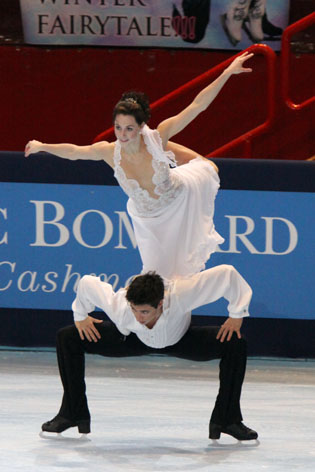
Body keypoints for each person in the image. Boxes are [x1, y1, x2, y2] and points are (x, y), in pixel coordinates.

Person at [25, 52, 253, 279]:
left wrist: (226, 73)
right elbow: (74, 152)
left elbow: (197, 106)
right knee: (157, 276)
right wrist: (42, 145)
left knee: (209, 168)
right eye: (118, 128)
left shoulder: (158, 135)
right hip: (149, 220)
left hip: (178, 198)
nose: (122, 135)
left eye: (129, 128)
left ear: (141, 126)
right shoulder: (108, 151)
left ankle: (176, 154)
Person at [41, 265, 258, 441]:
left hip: (181, 340)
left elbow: (227, 275)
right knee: (68, 336)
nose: (138, 316)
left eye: (145, 311)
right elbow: (87, 283)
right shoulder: (121, 306)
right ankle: (72, 413)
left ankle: (227, 419)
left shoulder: (180, 295)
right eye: (134, 309)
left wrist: (236, 315)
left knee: (235, 343)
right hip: (132, 340)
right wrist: (80, 314)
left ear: (161, 303)